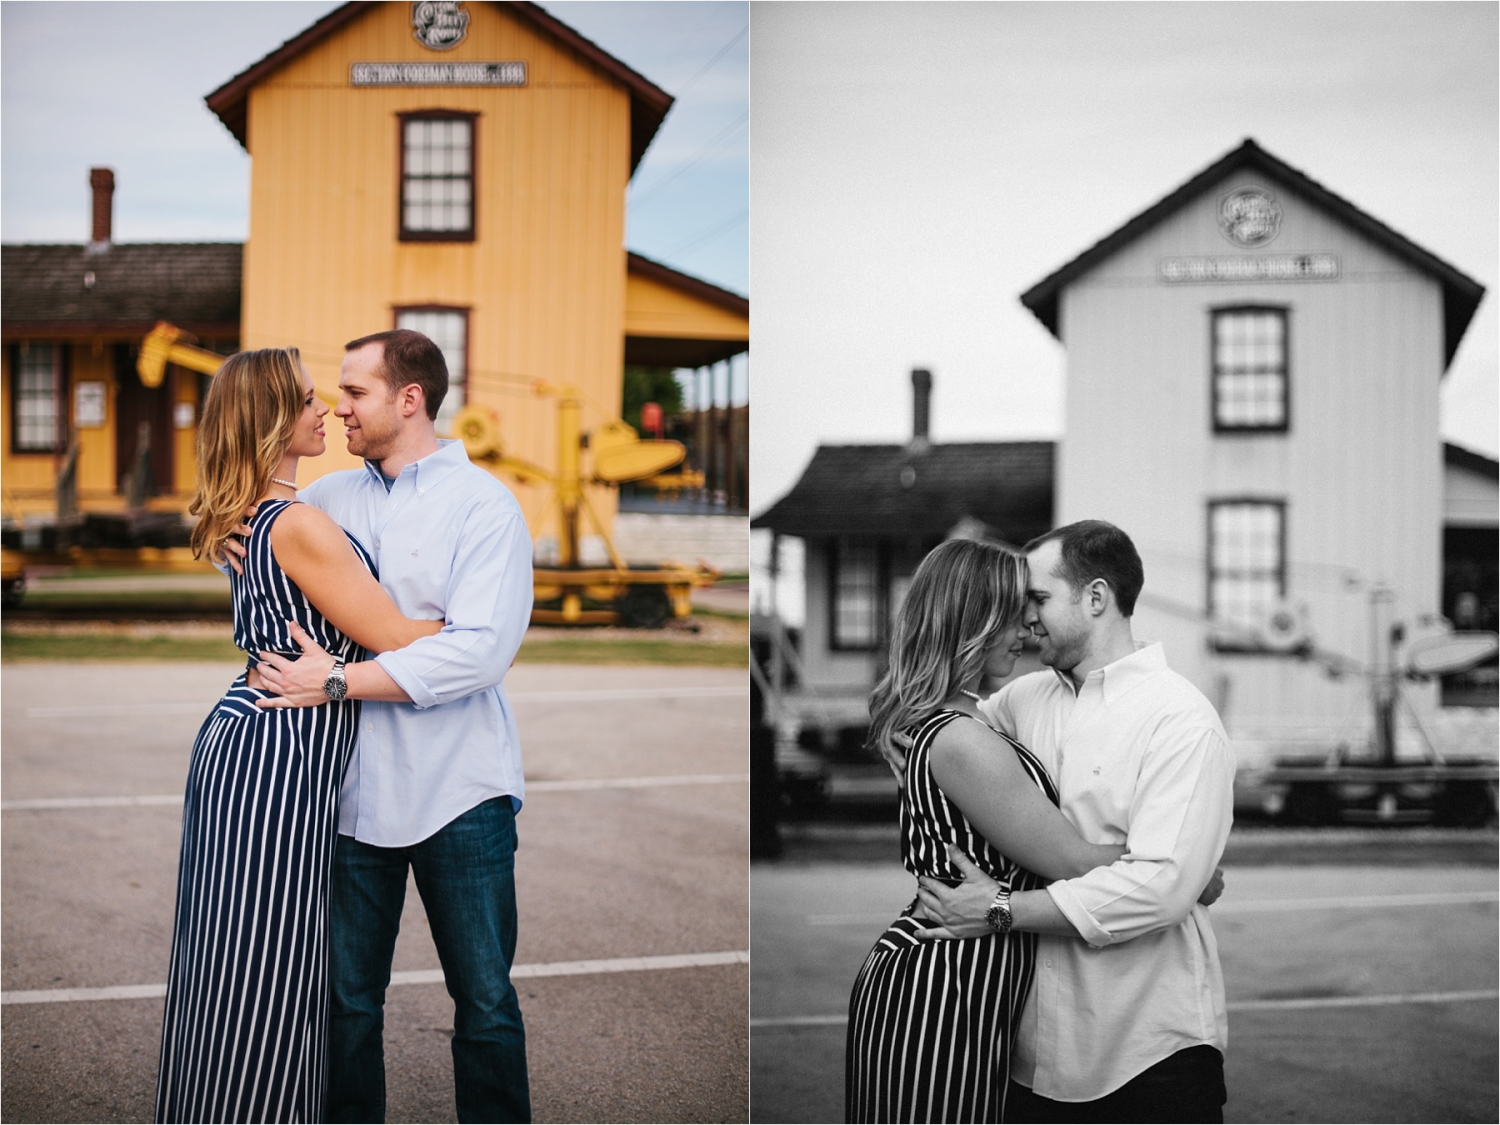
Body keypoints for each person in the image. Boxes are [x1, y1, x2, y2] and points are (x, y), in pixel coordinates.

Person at [246, 329, 534, 1124]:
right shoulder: (325, 501)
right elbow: (257, 563)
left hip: (460, 793)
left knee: (483, 1004)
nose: (339, 407)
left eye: (355, 392)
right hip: (347, 796)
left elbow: (479, 655)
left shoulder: (485, 507)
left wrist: (338, 679)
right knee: (344, 1005)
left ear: (410, 400)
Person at [155, 347, 446, 1123]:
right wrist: (473, 618)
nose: (327, 412)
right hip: (276, 753)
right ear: (274, 420)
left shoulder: (245, 516)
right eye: (311, 401)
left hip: (248, 735)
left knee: (231, 952)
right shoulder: (299, 524)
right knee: (269, 958)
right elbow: (397, 634)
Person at [914, 520, 1235, 1124]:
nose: (1025, 618)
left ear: (1095, 598)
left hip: (1149, 1051)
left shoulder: (1181, 721)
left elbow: (1161, 890)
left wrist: (998, 910)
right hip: (1025, 1052)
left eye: (1036, 599)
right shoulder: (1019, 701)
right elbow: (928, 744)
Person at [846, 538, 1134, 1124]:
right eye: (1013, 610)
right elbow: (1073, 862)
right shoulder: (957, 737)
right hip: (937, 986)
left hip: (969, 982)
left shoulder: (961, 720)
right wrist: (1185, 868)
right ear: (971, 618)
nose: (1028, 626)